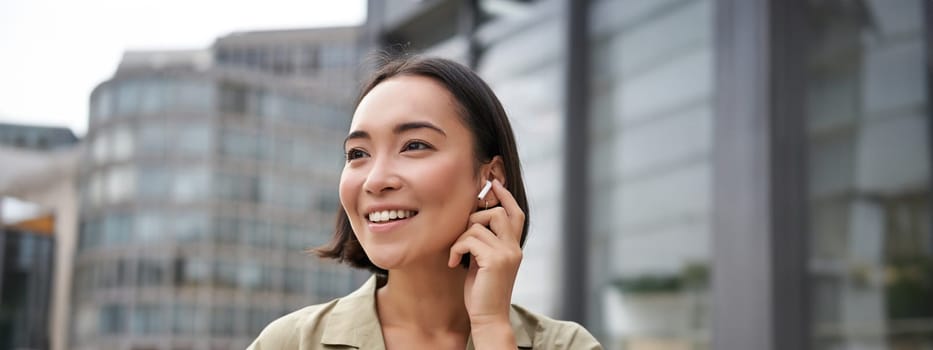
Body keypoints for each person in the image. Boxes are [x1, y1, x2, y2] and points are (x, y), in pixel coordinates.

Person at [247, 55, 601, 350]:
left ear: (490, 176)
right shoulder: (289, 342)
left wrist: (492, 328)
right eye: (358, 153)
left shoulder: (566, 345)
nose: (375, 180)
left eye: (414, 145)